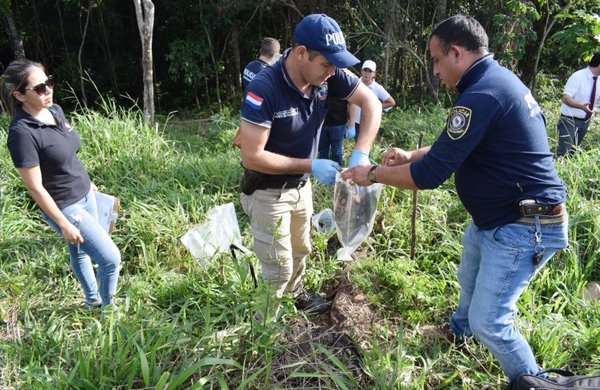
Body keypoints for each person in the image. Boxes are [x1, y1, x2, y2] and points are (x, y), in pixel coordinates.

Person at [342, 15, 568, 383]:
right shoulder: (495, 82)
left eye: (435, 59)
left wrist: (370, 174)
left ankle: (535, 382)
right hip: (496, 219)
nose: (434, 70)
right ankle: (459, 334)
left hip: (525, 225)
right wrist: (412, 155)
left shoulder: (481, 94)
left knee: (490, 322)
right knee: (468, 279)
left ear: (457, 53)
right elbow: (455, 147)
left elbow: (430, 177)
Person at [238, 14, 382, 316]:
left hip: (300, 187)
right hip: (267, 191)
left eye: (334, 66)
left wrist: (361, 154)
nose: (332, 72)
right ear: (301, 53)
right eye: (326, 65)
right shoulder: (266, 87)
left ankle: (297, 294)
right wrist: (310, 164)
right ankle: (264, 331)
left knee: (301, 248)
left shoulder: (328, 75)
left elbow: (372, 103)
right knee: (278, 267)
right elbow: (251, 155)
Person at [1, 59, 121, 309]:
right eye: (40, 88)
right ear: (19, 96)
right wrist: (63, 223)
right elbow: (34, 187)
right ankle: (108, 311)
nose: (49, 90)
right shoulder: (22, 134)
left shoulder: (54, 110)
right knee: (111, 259)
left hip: (86, 193)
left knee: (79, 252)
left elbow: (67, 154)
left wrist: (89, 184)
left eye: (49, 83)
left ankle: (92, 301)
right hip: (66, 207)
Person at [555, 52, 600, 156]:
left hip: (585, 121)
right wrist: (581, 107)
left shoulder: (598, 80)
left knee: (573, 154)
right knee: (563, 154)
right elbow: (566, 98)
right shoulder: (578, 76)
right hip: (569, 120)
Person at [350, 60, 395, 140]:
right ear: (361, 71)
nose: (367, 73)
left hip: (369, 122)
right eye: (365, 70)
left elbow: (391, 102)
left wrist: (375, 107)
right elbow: (349, 103)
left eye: (370, 71)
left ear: (374, 74)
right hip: (355, 121)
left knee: (365, 146)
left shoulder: (377, 88)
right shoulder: (354, 83)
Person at [317, 93, 355, 165]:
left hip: (338, 124)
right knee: (322, 151)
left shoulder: (343, 84)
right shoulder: (320, 83)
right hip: (321, 124)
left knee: (336, 152)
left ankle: (337, 173)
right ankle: (323, 172)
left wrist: (352, 125)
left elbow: (352, 103)